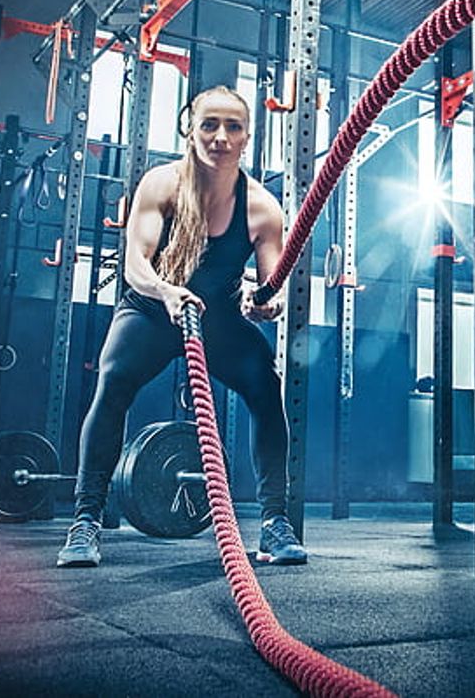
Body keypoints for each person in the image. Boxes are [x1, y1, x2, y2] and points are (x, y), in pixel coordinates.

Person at [57, 84, 306, 567]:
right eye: (208, 125)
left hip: (218, 319)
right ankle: (85, 520)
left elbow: (271, 284)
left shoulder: (262, 207)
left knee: (264, 386)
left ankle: (275, 523)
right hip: (152, 309)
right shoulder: (161, 184)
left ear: (247, 137)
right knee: (112, 383)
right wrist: (167, 293)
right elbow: (136, 266)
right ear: (190, 131)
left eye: (232, 127)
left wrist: (263, 304)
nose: (220, 136)